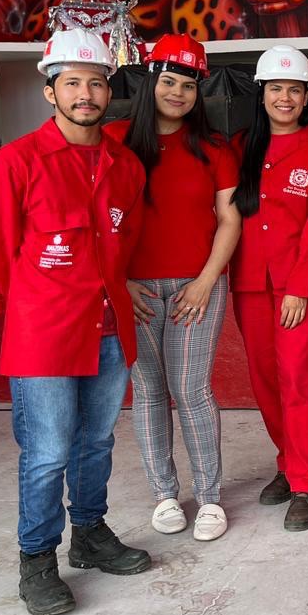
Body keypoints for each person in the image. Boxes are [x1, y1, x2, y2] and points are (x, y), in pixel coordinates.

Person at [0, 29, 151, 615]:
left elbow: (123, 245)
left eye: (95, 83)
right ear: (51, 92)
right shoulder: (12, 165)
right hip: (43, 336)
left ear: (108, 91)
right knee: (46, 453)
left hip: (108, 331)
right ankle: (37, 559)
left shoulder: (125, 167)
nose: (85, 94)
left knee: (96, 443)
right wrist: (30, 309)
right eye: (72, 83)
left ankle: (90, 535)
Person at [106, 34, 240, 541]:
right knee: (148, 390)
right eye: (169, 82)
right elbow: (96, 215)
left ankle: (209, 497)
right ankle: (164, 493)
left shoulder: (214, 147)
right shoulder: (114, 138)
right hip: (136, 289)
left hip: (196, 286)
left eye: (188, 85)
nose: (178, 93)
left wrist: (206, 281)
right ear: (150, 82)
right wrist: (120, 281)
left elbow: (229, 220)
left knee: (192, 389)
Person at [231, 44, 308, 532]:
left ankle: (306, 484)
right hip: (249, 283)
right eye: (276, 88)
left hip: (298, 287)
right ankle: (287, 461)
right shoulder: (241, 146)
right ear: (262, 94)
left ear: (306, 96)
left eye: (294, 90)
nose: (285, 98)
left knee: (299, 381)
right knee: (265, 382)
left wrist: (300, 287)